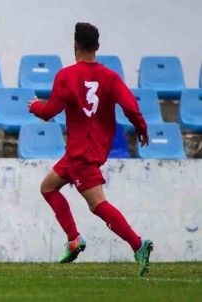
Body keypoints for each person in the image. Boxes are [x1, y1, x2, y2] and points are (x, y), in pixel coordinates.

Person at [28, 22, 153, 276]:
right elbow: (130, 107)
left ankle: (138, 244)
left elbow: (49, 112)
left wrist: (34, 106)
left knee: (97, 204)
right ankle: (73, 238)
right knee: (48, 187)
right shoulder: (111, 77)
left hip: (81, 154)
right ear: (97, 47)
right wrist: (141, 128)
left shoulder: (65, 76)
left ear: (74, 46)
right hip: (81, 152)